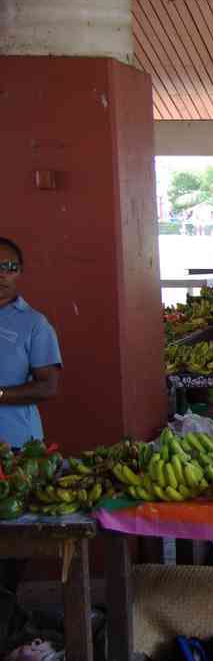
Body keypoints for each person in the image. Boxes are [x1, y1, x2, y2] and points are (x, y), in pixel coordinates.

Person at [0, 238, 61, 592]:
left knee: (12, 542)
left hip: (19, 451)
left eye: (9, 267)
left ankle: (8, 615)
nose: (2, 275)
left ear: (19, 273)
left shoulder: (34, 324)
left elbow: (48, 386)